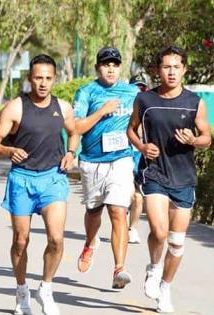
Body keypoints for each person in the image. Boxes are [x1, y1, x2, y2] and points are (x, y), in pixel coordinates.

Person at [0, 54, 79, 315]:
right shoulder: (16, 107)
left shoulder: (63, 107)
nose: (43, 83)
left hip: (53, 178)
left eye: (48, 78)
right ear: (30, 78)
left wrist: (71, 153)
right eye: (38, 78)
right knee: (20, 240)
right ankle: (21, 291)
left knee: (56, 238)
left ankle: (46, 288)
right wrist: (8, 151)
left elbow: (74, 132)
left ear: (54, 79)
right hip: (22, 179)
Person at [127, 46, 211, 313]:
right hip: (155, 174)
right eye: (166, 67)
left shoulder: (195, 102)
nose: (171, 72)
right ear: (158, 70)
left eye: (176, 67)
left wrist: (194, 140)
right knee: (159, 232)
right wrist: (141, 147)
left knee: (176, 242)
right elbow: (131, 130)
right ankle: (153, 266)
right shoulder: (145, 100)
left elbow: (207, 138)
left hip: (184, 178)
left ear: (184, 69)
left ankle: (165, 287)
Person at [73, 47, 139, 289]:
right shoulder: (86, 92)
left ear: (120, 67)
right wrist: (102, 111)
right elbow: (77, 127)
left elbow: (140, 122)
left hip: (121, 160)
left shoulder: (132, 92)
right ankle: (90, 242)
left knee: (118, 211)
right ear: (97, 67)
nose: (110, 68)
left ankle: (119, 269)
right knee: (93, 211)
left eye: (115, 64)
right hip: (91, 162)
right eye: (105, 64)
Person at [127, 73, 148, 244]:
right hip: (123, 157)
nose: (138, 92)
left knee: (137, 197)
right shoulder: (124, 110)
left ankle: (132, 229)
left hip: (140, 159)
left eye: (142, 88)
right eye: (135, 88)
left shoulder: (149, 112)